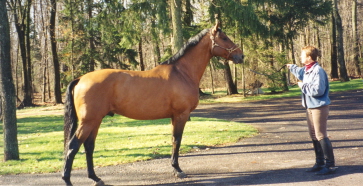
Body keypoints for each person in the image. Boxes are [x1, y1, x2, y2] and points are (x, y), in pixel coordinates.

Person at [286, 46, 336, 175]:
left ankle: (330, 165)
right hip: (309, 107)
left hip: (319, 107)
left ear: (309, 57)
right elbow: (300, 72)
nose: (300, 57)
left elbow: (318, 91)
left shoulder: (318, 71)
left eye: (302, 55)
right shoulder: (308, 70)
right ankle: (319, 163)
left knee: (320, 135)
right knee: (313, 135)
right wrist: (291, 67)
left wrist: (303, 86)